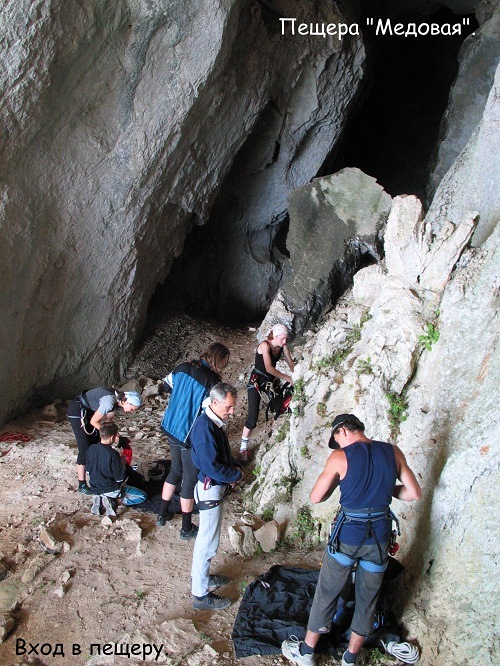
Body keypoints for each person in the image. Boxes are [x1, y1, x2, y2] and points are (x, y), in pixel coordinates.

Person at [281, 413, 422, 666]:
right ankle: (350, 658)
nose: (339, 446)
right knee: (368, 598)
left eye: (337, 439)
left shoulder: (340, 457)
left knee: (328, 592)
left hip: (348, 535)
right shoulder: (393, 452)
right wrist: (382, 488)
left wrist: (344, 484)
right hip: (379, 538)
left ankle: (305, 653)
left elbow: (316, 497)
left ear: (343, 431)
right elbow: (413, 493)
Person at [157, 343, 230, 540]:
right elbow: (210, 412)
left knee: (175, 470)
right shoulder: (212, 382)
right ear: (219, 360)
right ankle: (186, 528)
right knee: (189, 480)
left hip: (171, 426)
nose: (225, 365)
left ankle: (162, 514)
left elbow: (166, 385)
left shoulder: (183, 367)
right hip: (188, 434)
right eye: (225, 361)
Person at [190, 382, 242, 610]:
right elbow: (210, 465)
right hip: (210, 487)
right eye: (228, 407)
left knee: (208, 539)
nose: (232, 412)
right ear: (214, 402)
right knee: (207, 542)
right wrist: (235, 474)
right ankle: (200, 595)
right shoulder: (204, 428)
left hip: (212, 486)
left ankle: (204, 578)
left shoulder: (213, 422)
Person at [67, 387, 143, 494]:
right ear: (126, 401)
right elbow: (94, 421)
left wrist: (117, 436)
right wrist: (114, 437)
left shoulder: (116, 402)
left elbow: (108, 422)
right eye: (132, 409)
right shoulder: (109, 401)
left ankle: (98, 475)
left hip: (90, 411)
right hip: (78, 410)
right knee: (85, 448)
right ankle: (82, 484)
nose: (131, 412)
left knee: (99, 445)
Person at [239, 323, 294, 462]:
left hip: (270, 382)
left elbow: (288, 358)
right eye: (282, 339)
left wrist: (296, 373)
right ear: (275, 336)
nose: (284, 342)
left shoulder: (282, 345)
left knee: (280, 405)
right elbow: (269, 368)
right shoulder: (265, 346)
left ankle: (277, 432)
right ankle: (243, 448)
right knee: (252, 418)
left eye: (286, 339)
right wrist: (288, 378)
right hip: (257, 382)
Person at [86, 422, 147, 516]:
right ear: (112, 438)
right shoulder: (113, 454)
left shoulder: (91, 448)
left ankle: (100, 498)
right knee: (142, 496)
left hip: (94, 487)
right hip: (111, 489)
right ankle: (114, 501)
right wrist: (122, 464)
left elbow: (88, 471)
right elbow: (120, 478)